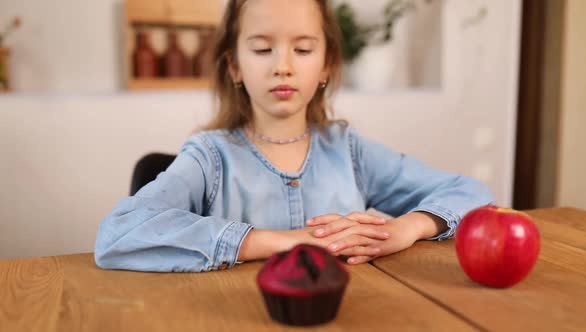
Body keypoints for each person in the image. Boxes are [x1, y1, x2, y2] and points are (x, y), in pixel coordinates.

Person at [95, 0, 494, 272]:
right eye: (263, 49)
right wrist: (280, 242)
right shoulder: (209, 157)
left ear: (325, 66)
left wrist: (407, 228)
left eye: (302, 50)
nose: (283, 66)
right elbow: (118, 234)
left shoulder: (349, 151)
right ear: (234, 66)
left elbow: (472, 192)